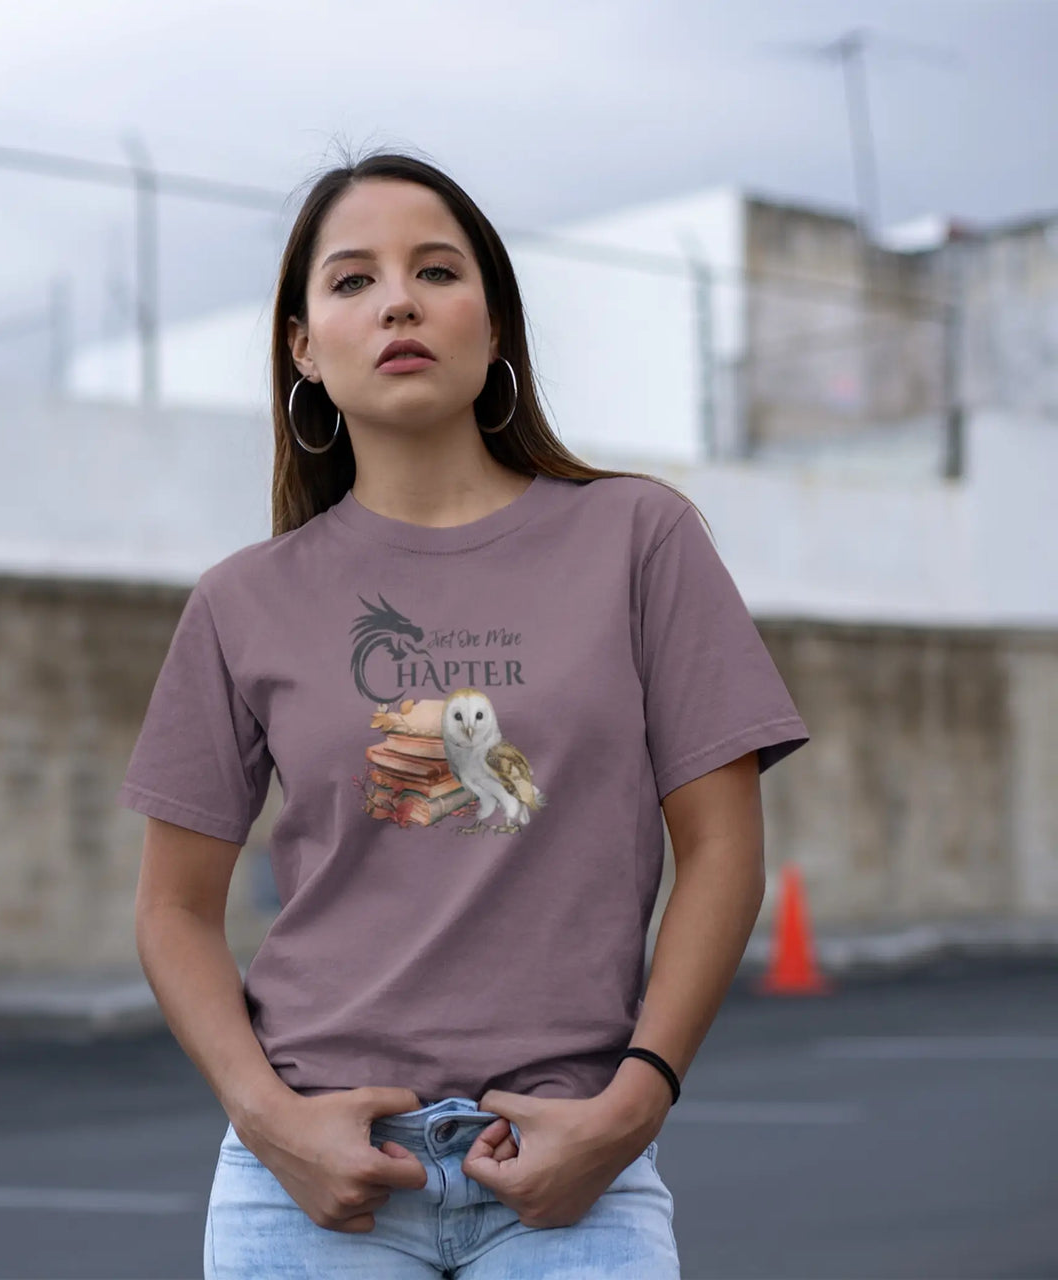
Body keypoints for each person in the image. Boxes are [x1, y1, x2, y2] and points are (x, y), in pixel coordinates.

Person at [117, 148, 810, 1279]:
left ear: (493, 327)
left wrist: (634, 1104)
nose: (396, 298)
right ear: (303, 346)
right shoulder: (242, 600)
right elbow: (172, 910)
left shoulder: (639, 538)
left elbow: (722, 849)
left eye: (434, 270)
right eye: (351, 280)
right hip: (311, 1180)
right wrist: (267, 1117)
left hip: (570, 1167)